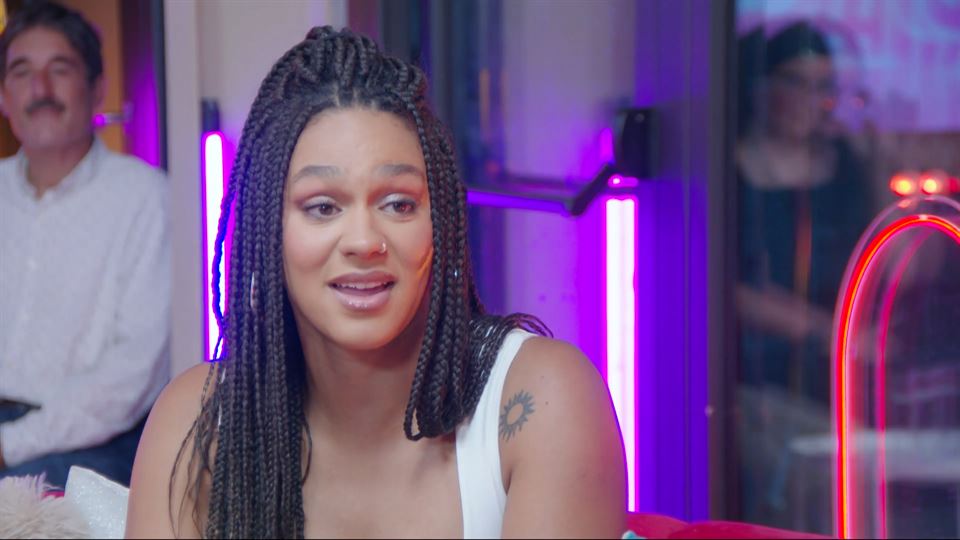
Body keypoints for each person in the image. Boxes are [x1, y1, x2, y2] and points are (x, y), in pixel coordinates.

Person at [125, 27, 626, 538]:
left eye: (398, 204)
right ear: (266, 230)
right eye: (323, 207)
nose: (364, 241)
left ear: (441, 223)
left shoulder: (543, 401)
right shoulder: (194, 422)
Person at [0, 1, 170, 487]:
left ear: (96, 90)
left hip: (90, 444)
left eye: (60, 69)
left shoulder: (147, 198)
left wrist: (9, 444)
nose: (40, 89)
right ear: (4, 96)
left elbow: (131, 374)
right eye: (22, 72)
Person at [734, 21, 876, 529]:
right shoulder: (731, 172)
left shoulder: (846, 169)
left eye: (823, 87)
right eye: (796, 82)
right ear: (762, 88)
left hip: (838, 374)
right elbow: (732, 292)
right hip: (756, 378)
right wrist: (829, 331)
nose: (809, 100)